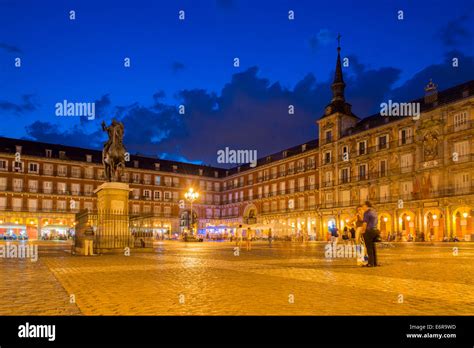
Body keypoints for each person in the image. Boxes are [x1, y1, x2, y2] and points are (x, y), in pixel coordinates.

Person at [361, 201, 380, 267]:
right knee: (373, 247)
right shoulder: (374, 212)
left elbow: (365, 223)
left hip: (368, 231)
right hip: (375, 230)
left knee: (369, 248)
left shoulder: (366, 213)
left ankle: (370, 263)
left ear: (366, 205)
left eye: (363, 205)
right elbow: (377, 221)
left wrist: (363, 231)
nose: (362, 207)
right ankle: (375, 262)